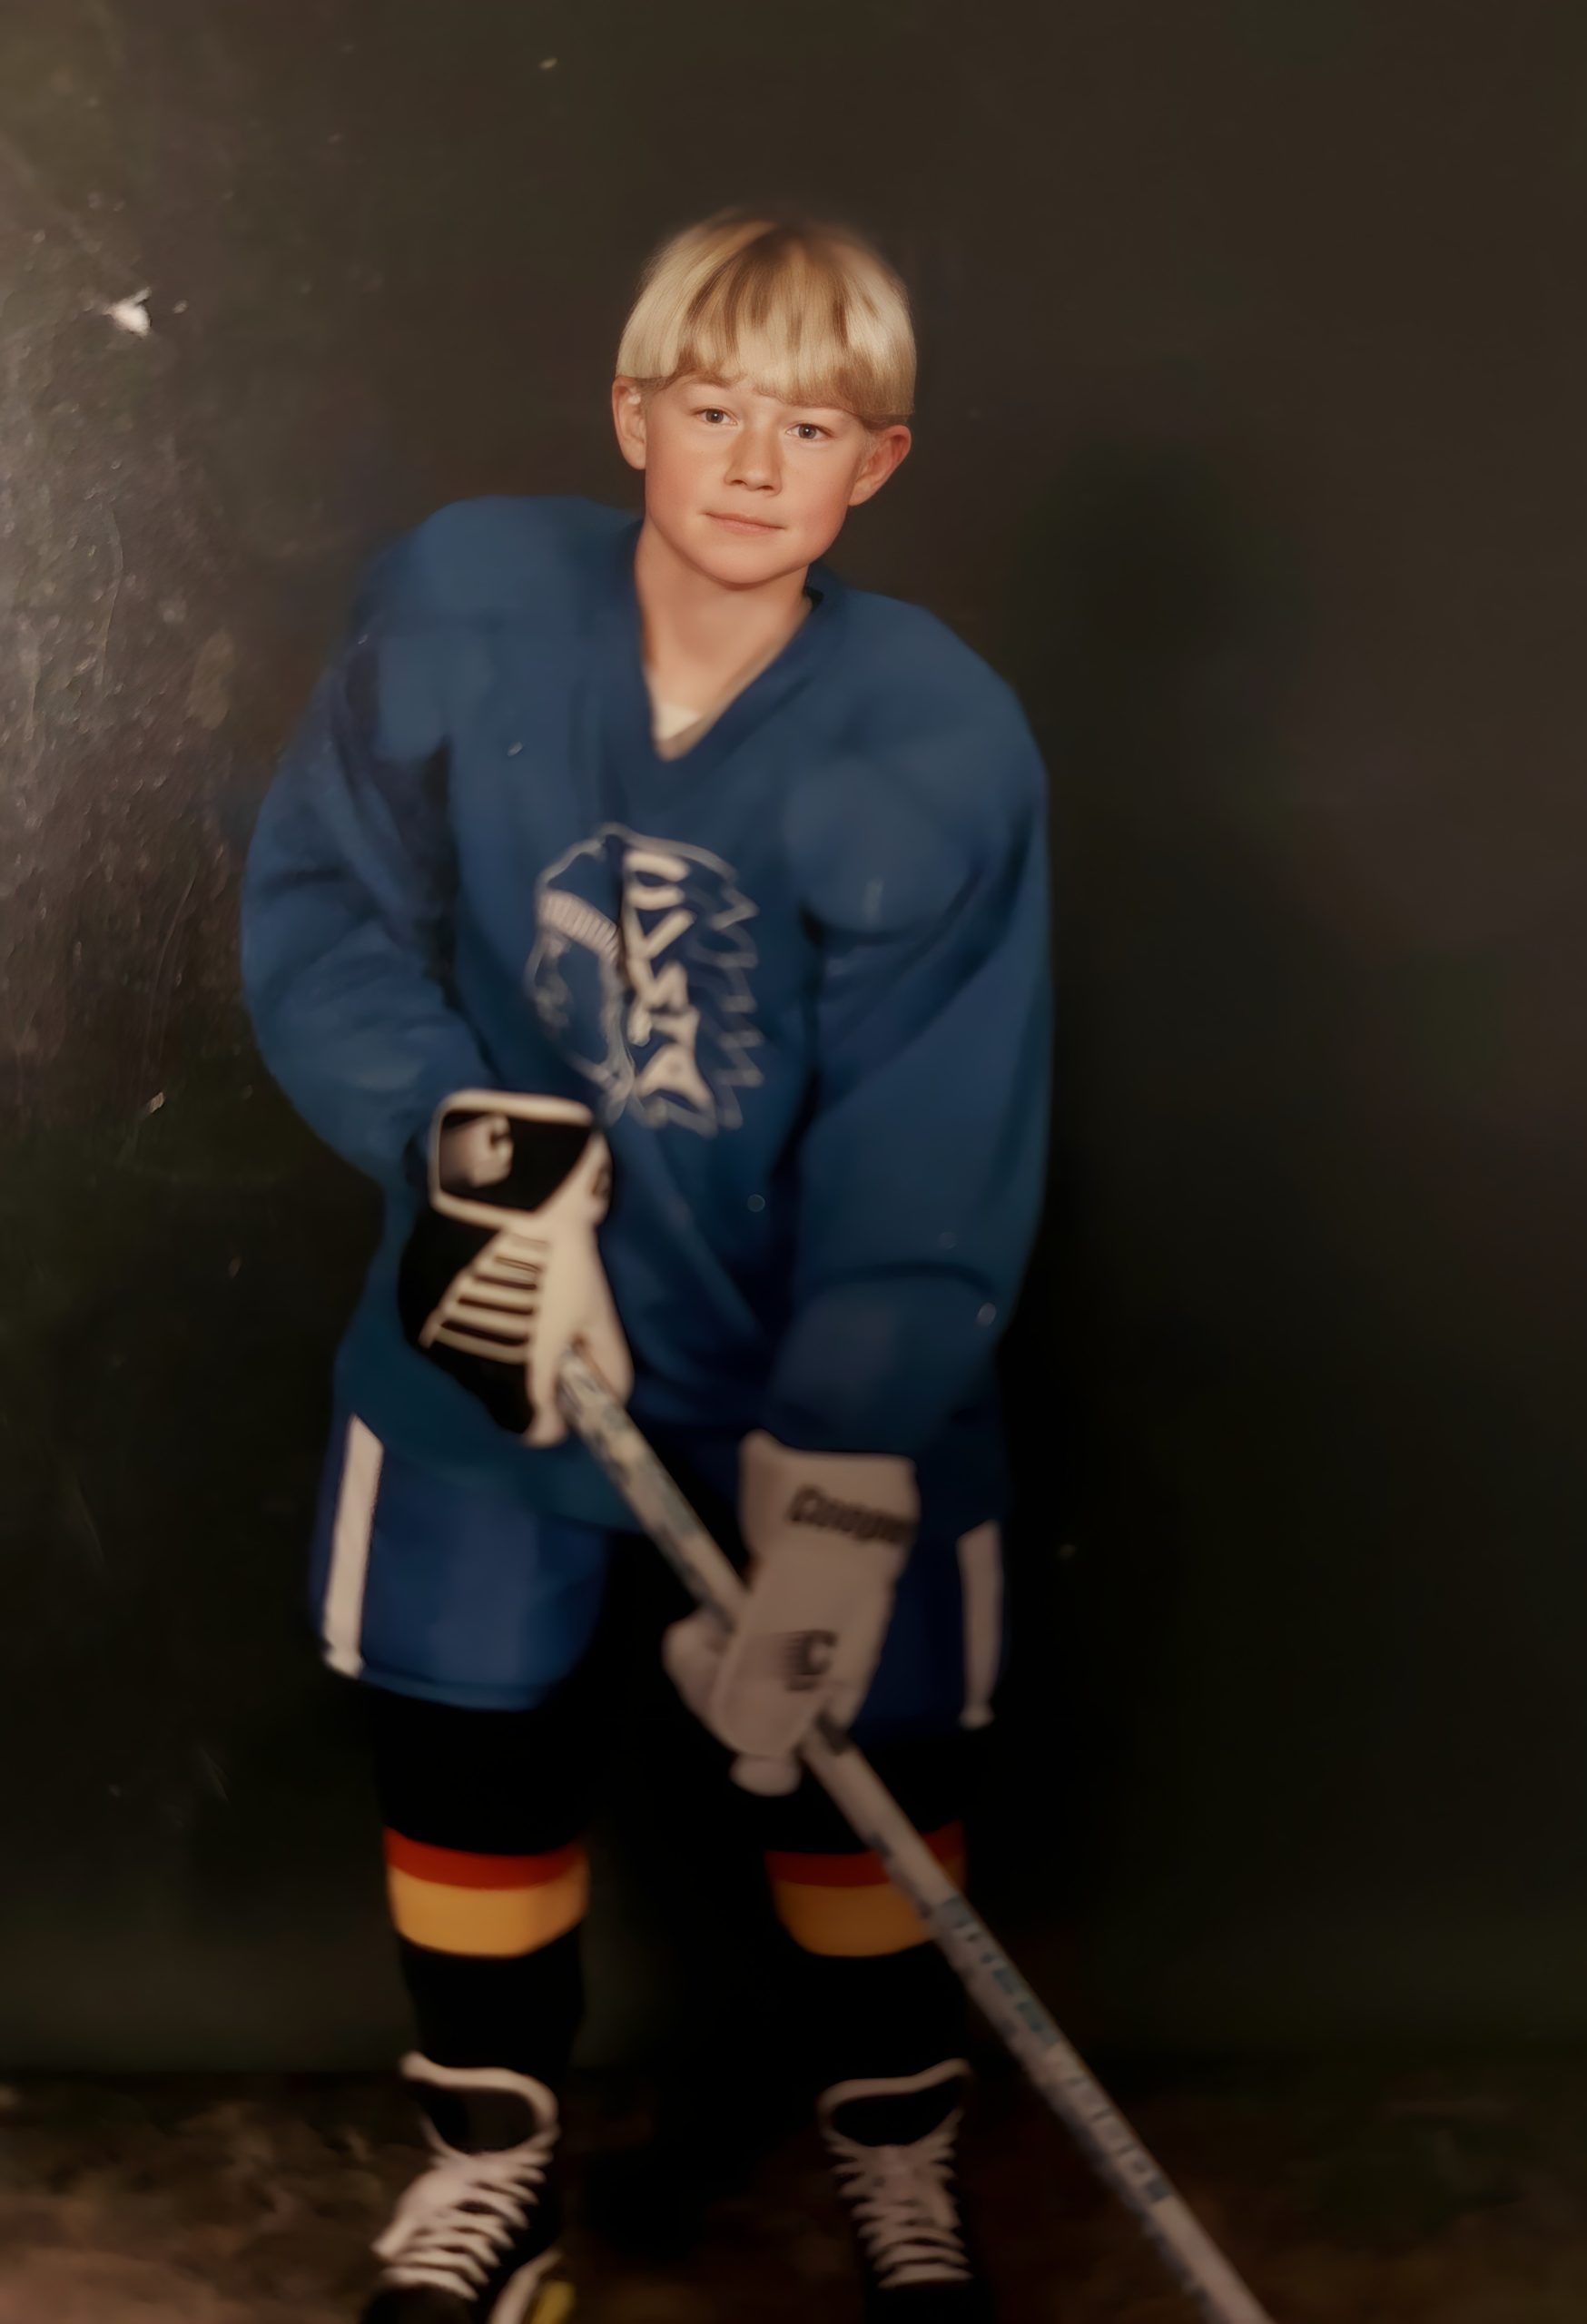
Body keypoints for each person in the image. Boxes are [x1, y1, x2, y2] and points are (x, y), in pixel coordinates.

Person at [242, 211, 1051, 2322]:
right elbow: (329, 915)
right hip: (506, 1335)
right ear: (632, 416)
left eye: (812, 424)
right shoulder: (464, 606)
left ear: (876, 463)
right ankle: (491, 2168)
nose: (756, 462)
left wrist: (842, 1466)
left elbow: (934, 1128)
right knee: (472, 1745)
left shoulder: (938, 734)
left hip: (815, 1340)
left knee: (864, 1774)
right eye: (712, 409)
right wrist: (476, 1160)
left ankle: (901, 2152)